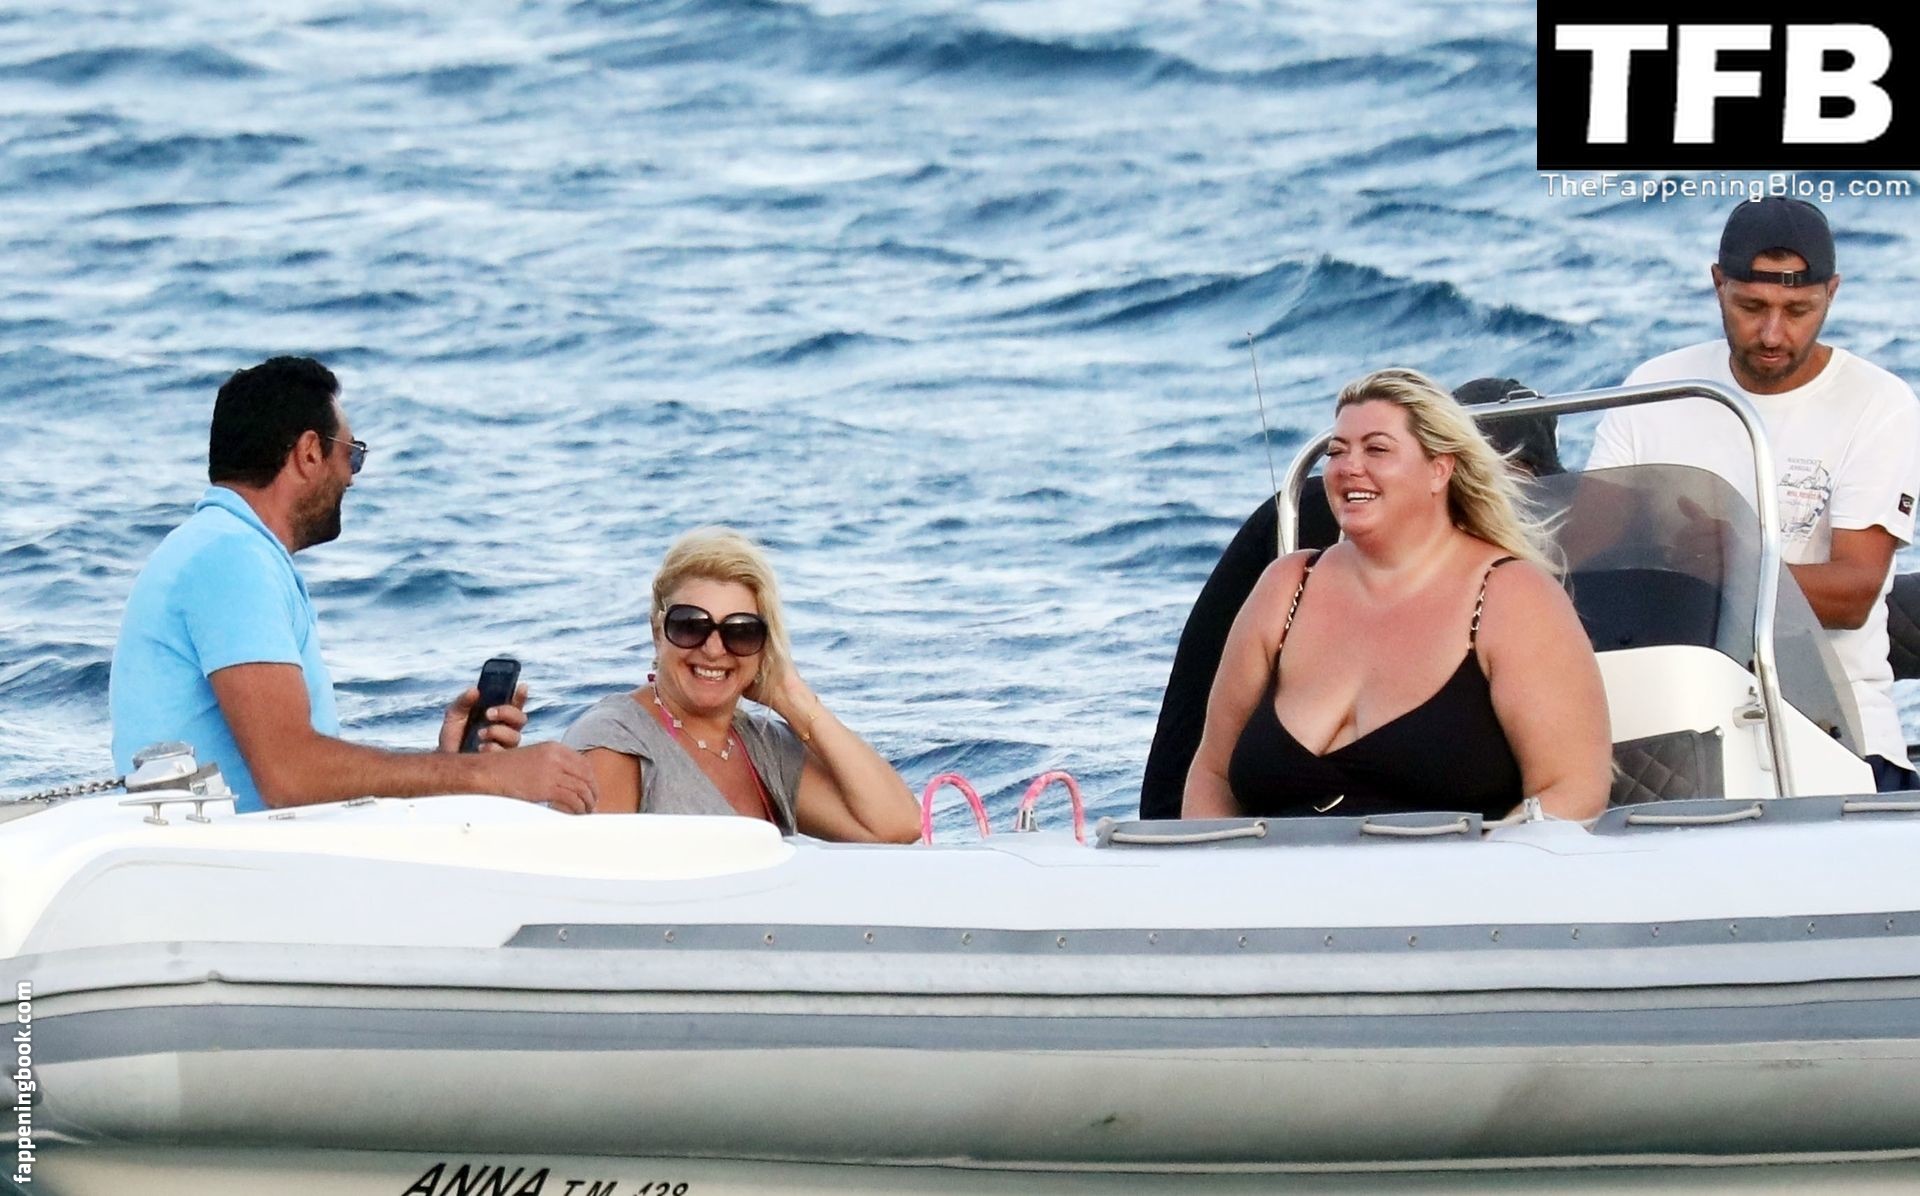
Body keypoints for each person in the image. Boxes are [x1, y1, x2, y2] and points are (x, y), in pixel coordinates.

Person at [110, 356, 598, 815]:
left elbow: (298, 774)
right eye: (353, 455)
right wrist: (486, 776)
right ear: (309, 453)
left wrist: (447, 767)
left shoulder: (219, 548)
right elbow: (290, 775)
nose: (351, 478)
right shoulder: (232, 558)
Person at [1588, 197, 1920, 792]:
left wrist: (1729, 563)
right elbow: (1585, 559)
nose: (1772, 333)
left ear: (1832, 294)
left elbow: (1853, 594)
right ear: (1718, 284)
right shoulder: (1652, 389)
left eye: (1798, 310)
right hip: (1672, 726)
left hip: (1838, 734)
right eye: (1751, 306)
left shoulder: (1880, 404)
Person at [1182, 368, 1611, 821]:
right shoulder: (1285, 586)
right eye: (1337, 451)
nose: (1349, 467)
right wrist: (1215, 859)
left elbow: (1571, 789)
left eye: (1377, 449)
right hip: (1271, 866)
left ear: (1439, 469)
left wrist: (1486, 854)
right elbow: (1212, 774)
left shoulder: (1514, 597)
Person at [563, 527, 921, 841]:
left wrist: (795, 700)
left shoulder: (763, 745)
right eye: (690, 626)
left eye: (741, 632)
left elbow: (897, 826)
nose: (714, 649)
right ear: (658, 631)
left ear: (765, 645)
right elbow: (596, 880)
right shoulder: (617, 737)